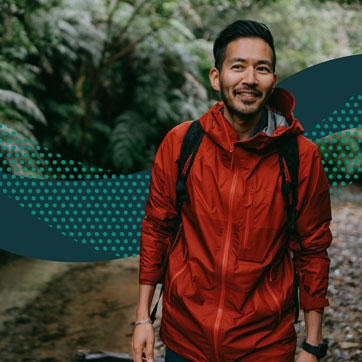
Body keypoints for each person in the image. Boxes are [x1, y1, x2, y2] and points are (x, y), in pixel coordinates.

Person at [132, 20, 332, 362]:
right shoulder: (182, 144)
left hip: (263, 346)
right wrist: (142, 318)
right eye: (237, 66)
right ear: (216, 77)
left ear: (272, 81)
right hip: (185, 341)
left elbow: (312, 251)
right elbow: (157, 229)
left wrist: (312, 346)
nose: (249, 79)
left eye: (262, 69)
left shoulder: (301, 157)